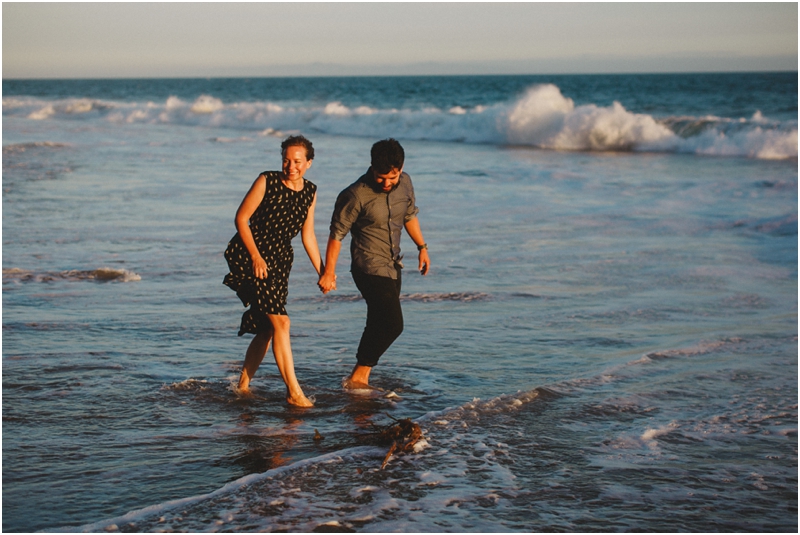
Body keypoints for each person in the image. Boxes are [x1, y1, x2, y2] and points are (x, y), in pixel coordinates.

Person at [318, 138, 430, 389]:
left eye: (393, 177)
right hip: (366, 265)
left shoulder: (406, 183)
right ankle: (358, 375)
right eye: (382, 178)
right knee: (392, 324)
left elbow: (409, 216)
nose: (388, 183)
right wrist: (328, 273)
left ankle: (361, 379)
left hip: (393, 265)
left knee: (377, 322)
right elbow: (337, 234)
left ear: (400, 168)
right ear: (371, 167)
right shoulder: (355, 194)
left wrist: (422, 247)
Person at [223, 135, 321, 407]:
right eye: (286, 160)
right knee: (282, 322)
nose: (291, 166)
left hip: (279, 261)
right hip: (250, 255)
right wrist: (255, 256)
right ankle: (294, 392)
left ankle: (242, 385)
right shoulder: (266, 180)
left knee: (267, 328)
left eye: (298, 161)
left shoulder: (310, 191)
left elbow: (308, 235)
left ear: (309, 163)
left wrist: (323, 271)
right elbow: (241, 219)